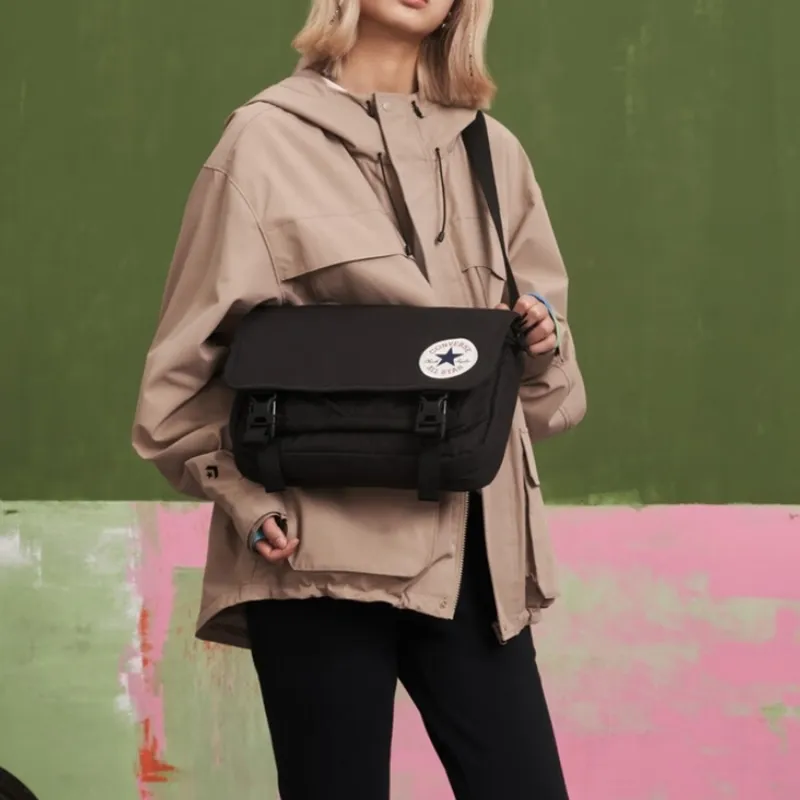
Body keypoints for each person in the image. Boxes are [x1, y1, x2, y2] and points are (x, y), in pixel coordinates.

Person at [132, 0, 587, 797]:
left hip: (472, 559)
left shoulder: (493, 154)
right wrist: (247, 502)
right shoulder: (263, 141)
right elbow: (178, 380)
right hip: (314, 556)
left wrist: (544, 341)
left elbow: (546, 405)